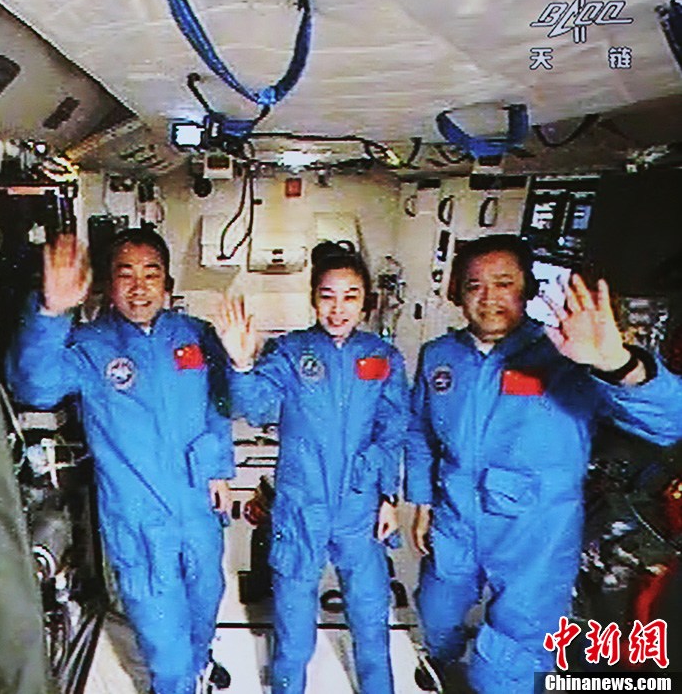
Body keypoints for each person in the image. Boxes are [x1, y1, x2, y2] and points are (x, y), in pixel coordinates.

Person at [406, 234, 682, 692]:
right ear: (457, 293)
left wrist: (617, 364)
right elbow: (420, 432)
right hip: (456, 519)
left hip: (535, 534)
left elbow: (670, 421)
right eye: (474, 285)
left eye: (503, 284)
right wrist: (421, 501)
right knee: (436, 616)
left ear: (528, 290)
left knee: (506, 665)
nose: (488, 298)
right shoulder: (441, 356)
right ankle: (443, 666)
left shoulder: (565, 355)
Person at [6, 227, 233, 694]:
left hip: (197, 507)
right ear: (109, 285)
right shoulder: (92, 347)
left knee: (205, 601)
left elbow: (219, 405)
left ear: (168, 283)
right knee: (165, 649)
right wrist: (51, 313)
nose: (139, 287)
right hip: (139, 520)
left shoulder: (196, 337)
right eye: (125, 274)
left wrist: (218, 467)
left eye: (151, 274)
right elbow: (35, 386)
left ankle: (201, 664)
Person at [214, 241, 408, 694]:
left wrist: (387, 497)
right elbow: (254, 407)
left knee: (370, 620)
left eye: (350, 296)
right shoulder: (289, 352)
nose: (338, 309)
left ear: (366, 301)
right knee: (294, 628)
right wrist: (241, 364)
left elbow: (393, 430)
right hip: (301, 507)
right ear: (313, 299)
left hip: (359, 506)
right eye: (327, 296)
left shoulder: (383, 358)